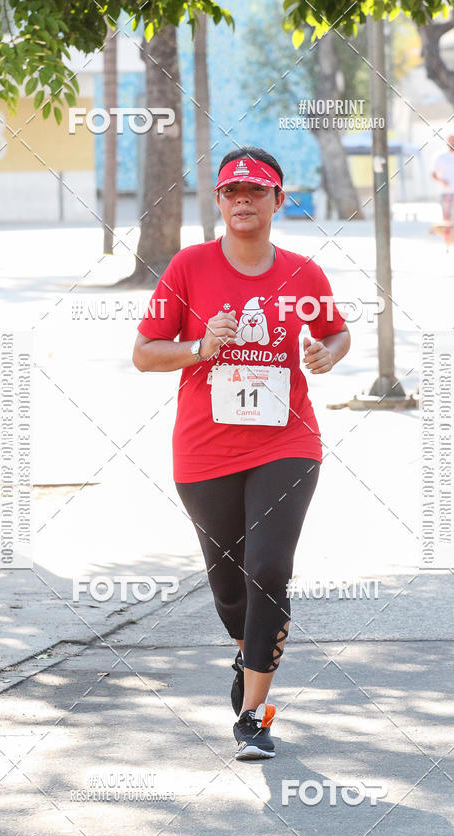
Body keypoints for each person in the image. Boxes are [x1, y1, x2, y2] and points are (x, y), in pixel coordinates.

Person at [132, 147, 350, 761]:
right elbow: (144, 353)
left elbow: (336, 331)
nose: (244, 200)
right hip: (205, 450)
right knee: (230, 588)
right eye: (232, 191)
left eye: (256, 191)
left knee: (270, 568)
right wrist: (200, 347)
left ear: (279, 200)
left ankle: (254, 714)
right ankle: (247, 651)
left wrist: (328, 353)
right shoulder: (189, 267)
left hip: (287, 442)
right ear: (220, 201)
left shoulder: (304, 274)